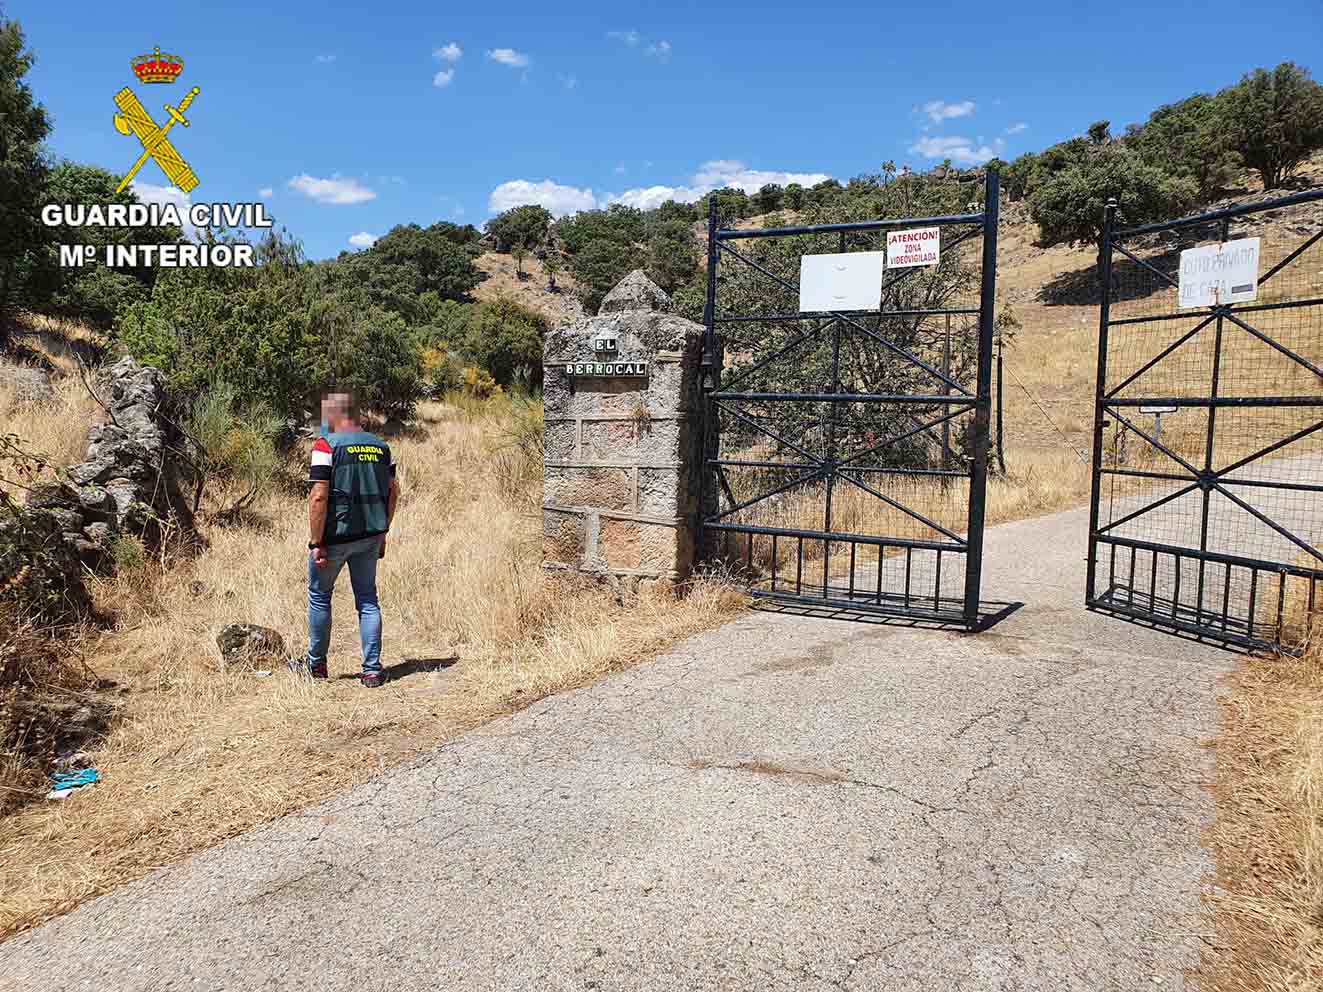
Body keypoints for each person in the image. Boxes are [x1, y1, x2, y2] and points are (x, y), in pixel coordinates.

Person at [295, 391, 399, 687]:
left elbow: (318, 496)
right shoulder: (382, 448)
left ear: (337, 417)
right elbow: (393, 493)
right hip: (370, 535)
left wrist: (317, 543)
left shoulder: (326, 445)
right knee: (367, 599)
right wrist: (383, 533)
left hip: (334, 538)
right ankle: (372, 670)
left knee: (319, 597)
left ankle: (316, 666)